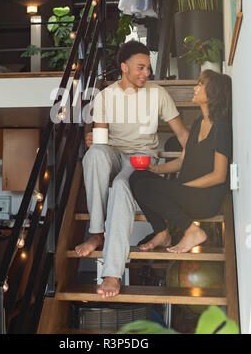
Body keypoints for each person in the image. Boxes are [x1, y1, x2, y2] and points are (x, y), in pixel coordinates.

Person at [75, 40, 188, 297]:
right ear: (124, 67)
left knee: (122, 187)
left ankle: (112, 273)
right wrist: (93, 139)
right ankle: (96, 233)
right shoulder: (105, 96)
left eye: (148, 68)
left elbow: (182, 134)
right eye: (140, 67)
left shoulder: (158, 94)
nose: (146, 73)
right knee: (94, 156)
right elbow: (101, 140)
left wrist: (197, 155)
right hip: (115, 153)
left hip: (143, 157)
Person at [129, 69, 232, 254]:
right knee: (138, 176)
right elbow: (181, 161)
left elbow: (219, 175)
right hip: (186, 190)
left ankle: (191, 230)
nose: (195, 87)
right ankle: (162, 232)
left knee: (144, 187)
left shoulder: (221, 128)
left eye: (201, 85)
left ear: (213, 93)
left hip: (204, 198)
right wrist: (155, 169)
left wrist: (185, 187)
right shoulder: (198, 123)